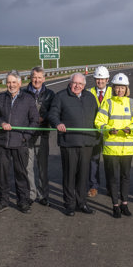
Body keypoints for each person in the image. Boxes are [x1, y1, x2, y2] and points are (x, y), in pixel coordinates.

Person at [0, 70, 39, 214]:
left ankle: (23, 202)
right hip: (2, 143)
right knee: (2, 174)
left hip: (20, 143)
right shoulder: (0, 98)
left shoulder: (28, 99)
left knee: (21, 174)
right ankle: (3, 201)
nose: (11, 85)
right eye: (8, 82)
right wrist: (2, 123)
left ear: (19, 83)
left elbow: (34, 120)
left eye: (13, 82)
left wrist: (26, 137)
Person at [49, 72, 98, 216]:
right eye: (74, 83)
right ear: (70, 83)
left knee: (83, 175)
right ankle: (69, 204)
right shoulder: (61, 96)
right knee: (69, 175)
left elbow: (98, 117)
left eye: (80, 84)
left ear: (84, 85)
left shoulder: (90, 97)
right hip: (69, 142)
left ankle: (82, 203)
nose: (77, 86)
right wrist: (57, 123)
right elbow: (53, 114)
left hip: (87, 142)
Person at [95, 73, 133, 218]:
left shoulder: (132, 103)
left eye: (122, 88)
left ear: (126, 88)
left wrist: (132, 127)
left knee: (125, 177)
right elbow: (99, 121)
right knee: (113, 178)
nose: (120, 90)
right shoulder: (108, 103)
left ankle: (125, 204)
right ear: (114, 88)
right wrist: (108, 129)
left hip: (127, 147)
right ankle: (115, 205)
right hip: (111, 148)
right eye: (117, 87)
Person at [24, 66, 55, 206]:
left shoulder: (50, 94)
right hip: (27, 135)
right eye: (34, 77)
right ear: (30, 78)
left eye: (39, 77)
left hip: (42, 134)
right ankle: (31, 194)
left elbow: (53, 111)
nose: (36, 80)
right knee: (27, 166)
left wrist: (44, 117)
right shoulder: (23, 93)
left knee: (42, 167)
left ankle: (43, 195)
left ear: (44, 78)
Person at [87, 66, 112, 197]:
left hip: (109, 132)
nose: (100, 81)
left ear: (107, 79)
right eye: (98, 79)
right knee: (93, 160)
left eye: (102, 79)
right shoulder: (88, 92)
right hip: (94, 132)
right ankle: (93, 186)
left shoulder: (114, 92)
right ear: (94, 79)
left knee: (109, 160)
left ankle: (110, 186)